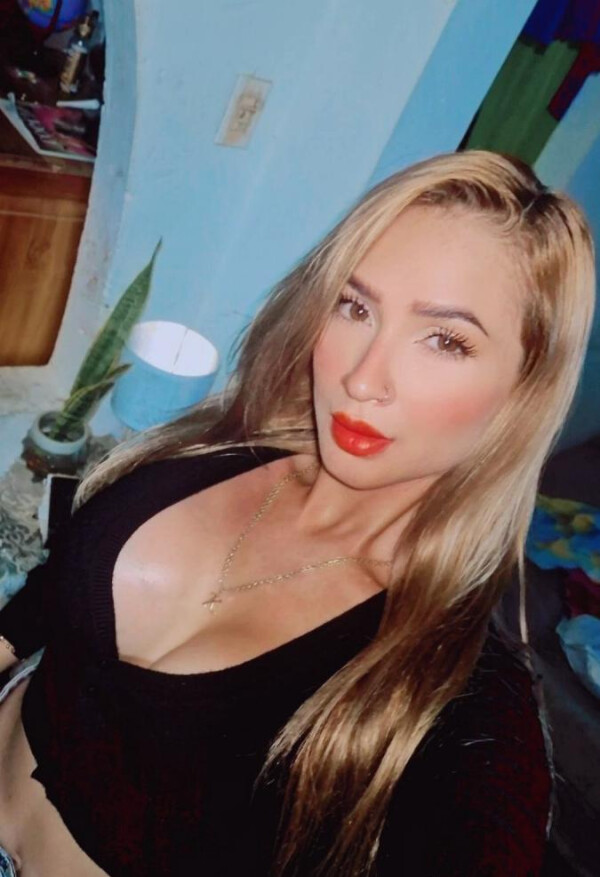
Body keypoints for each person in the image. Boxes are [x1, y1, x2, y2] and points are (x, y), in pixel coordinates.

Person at [0, 149, 595, 877]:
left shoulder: (453, 694)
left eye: (445, 340)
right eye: (356, 306)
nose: (362, 378)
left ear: (524, 389)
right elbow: (42, 605)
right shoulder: (218, 449)